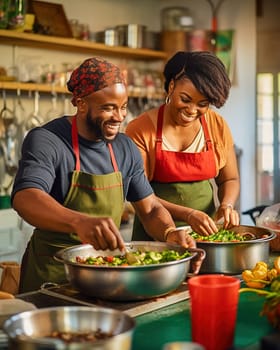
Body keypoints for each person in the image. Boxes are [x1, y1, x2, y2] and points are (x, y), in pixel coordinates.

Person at [11, 57, 201, 293]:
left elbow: (150, 208)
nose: (120, 117)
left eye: (123, 107)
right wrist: (78, 221)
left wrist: (170, 233)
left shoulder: (124, 147)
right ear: (81, 104)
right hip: (53, 273)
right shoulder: (48, 140)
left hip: (104, 275)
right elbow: (25, 197)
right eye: (109, 108)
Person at [125, 51, 240, 240]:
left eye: (203, 104)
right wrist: (188, 214)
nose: (192, 110)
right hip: (156, 236)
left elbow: (230, 179)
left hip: (206, 236)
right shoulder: (141, 129)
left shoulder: (216, 125)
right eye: (185, 99)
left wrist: (226, 205)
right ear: (171, 87)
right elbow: (139, 195)